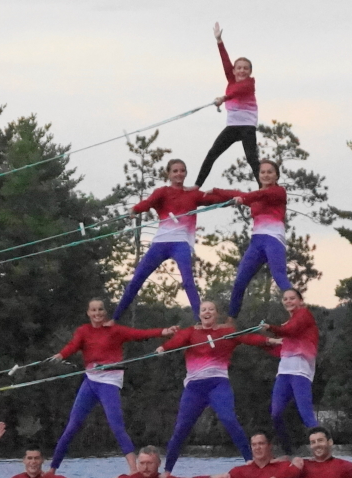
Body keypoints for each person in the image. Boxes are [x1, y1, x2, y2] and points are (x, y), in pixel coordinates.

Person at [49, 298, 178, 474]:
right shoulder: (83, 331)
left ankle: (133, 470)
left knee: (116, 425)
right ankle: (52, 470)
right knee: (72, 427)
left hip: (109, 381)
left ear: (105, 312)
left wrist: (164, 332)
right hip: (91, 380)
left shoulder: (115, 330)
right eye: (93, 310)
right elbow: (73, 346)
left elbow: (140, 334)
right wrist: (61, 355)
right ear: (88, 313)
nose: (97, 313)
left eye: (100, 310)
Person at [156, 300, 280, 474]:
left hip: (218, 384)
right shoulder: (190, 332)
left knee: (229, 419)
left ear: (217, 314)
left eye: (211, 309)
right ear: (199, 314)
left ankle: (250, 462)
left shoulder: (226, 332)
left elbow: (248, 337)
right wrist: (163, 348)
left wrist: (269, 340)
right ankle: (167, 471)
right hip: (194, 388)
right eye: (204, 310)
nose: (207, 312)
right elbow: (176, 341)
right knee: (181, 427)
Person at [113, 159, 213, 322]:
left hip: (181, 243)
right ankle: (115, 319)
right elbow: (148, 203)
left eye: (182, 170)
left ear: (186, 173)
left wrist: (238, 197)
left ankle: (200, 321)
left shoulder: (193, 195)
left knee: (188, 282)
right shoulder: (162, 192)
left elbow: (214, 199)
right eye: (175, 171)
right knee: (137, 279)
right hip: (160, 243)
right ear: (169, 174)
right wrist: (135, 209)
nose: (179, 174)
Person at [205, 161, 292, 319]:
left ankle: (299, 314)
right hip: (256, 243)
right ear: (259, 175)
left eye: (269, 172)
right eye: (262, 172)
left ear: (276, 175)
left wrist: (242, 198)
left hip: (273, 240)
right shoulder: (256, 197)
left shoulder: (279, 192)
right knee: (239, 281)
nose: (265, 175)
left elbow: (256, 195)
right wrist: (216, 191)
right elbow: (237, 194)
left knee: (279, 277)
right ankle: (231, 321)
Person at [195, 22, 260, 187]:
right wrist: (219, 41)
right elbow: (225, 61)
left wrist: (223, 98)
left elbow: (237, 92)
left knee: (252, 159)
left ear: (250, 72)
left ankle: (263, 187)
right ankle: (197, 185)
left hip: (246, 127)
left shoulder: (250, 83)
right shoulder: (231, 79)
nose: (242, 71)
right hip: (232, 126)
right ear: (234, 70)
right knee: (212, 154)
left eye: (246, 68)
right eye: (239, 68)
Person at [263, 288, 319, 454]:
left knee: (306, 413)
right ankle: (288, 452)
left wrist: (271, 328)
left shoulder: (304, 314)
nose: (288, 301)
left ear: (300, 301)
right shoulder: (288, 323)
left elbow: (291, 331)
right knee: (275, 413)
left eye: (292, 298)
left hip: (300, 371)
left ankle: (321, 448)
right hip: (284, 372)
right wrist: (264, 343)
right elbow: (283, 349)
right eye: (285, 299)